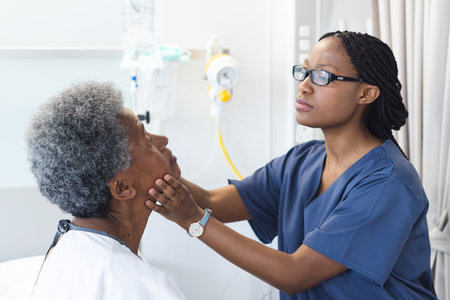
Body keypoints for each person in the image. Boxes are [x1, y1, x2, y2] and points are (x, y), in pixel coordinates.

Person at [145, 31, 437, 299]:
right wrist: (152, 168)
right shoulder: (301, 162)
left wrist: (193, 221)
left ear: (366, 94)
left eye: (323, 76)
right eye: (304, 72)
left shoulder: (387, 183)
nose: (305, 86)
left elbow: (295, 274)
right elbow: (211, 202)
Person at [26, 81, 185, 300]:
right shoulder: (146, 287)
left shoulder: (66, 248)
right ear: (122, 187)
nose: (163, 140)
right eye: (147, 141)